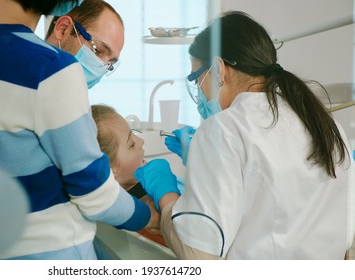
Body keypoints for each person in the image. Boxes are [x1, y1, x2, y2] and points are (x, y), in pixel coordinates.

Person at [0, 0, 162, 260]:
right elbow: (94, 194)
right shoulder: (52, 69)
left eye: (109, 63)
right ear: (63, 25)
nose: (100, 67)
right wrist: (148, 217)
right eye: (98, 50)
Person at [135, 11, 355, 259]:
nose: (199, 93)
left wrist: (165, 196)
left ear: (219, 69)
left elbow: (198, 256)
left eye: (197, 80)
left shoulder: (224, 129)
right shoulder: (327, 126)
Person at [91, 104, 169, 247]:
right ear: (110, 171)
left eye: (133, 133)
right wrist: (168, 201)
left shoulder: (144, 188)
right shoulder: (137, 219)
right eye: (131, 144)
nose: (141, 141)